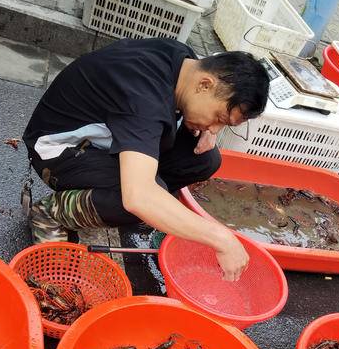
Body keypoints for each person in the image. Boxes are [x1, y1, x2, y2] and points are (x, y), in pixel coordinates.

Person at [22, 39, 270, 282]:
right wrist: (222, 238)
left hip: (106, 136)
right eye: (218, 118)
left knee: (204, 160)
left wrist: (207, 125)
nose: (215, 129)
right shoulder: (143, 99)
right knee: (141, 199)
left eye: (223, 125)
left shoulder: (184, 62)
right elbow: (139, 197)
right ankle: (53, 212)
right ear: (205, 84)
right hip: (57, 148)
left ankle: (108, 205)